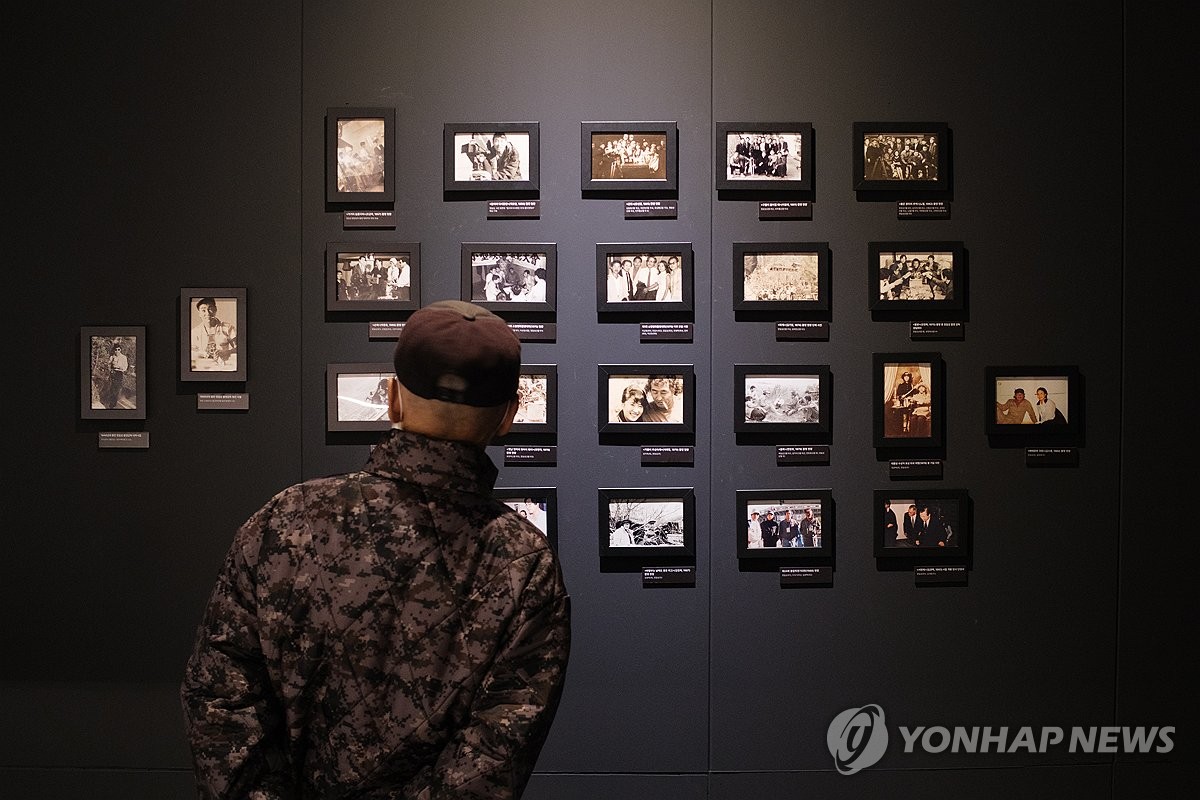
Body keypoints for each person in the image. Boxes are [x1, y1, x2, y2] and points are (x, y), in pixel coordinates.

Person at [181, 299, 571, 799]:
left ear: (392, 399)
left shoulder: (285, 519)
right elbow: (493, 760)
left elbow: (220, 701)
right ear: (508, 418)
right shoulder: (526, 565)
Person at [190, 296, 237, 371]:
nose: (207, 313)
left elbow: (240, 348)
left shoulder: (227, 328)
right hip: (202, 370)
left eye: (210, 309)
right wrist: (203, 354)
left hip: (224, 368)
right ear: (199, 313)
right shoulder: (194, 332)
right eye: (203, 310)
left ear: (215, 310)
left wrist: (227, 352)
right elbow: (191, 353)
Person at [104, 341, 129, 408]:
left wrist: (118, 366)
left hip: (119, 374)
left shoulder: (124, 357)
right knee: (112, 389)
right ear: (114, 350)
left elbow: (125, 367)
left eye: (118, 349)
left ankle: (113, 404)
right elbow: (108, 365)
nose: (117, 351)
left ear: (120, 350)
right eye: (116, 349)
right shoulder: (112, 357)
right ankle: (111, 405)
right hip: (112, 373)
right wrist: (110, 369)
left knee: (116, 390)